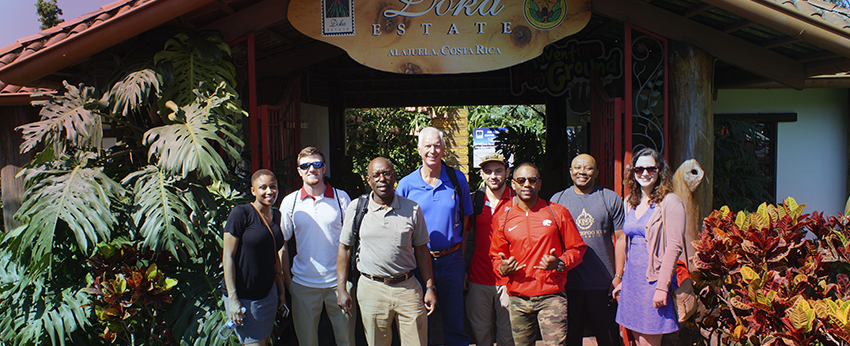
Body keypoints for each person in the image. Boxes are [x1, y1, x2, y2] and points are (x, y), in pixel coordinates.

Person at [336, 157, 438, 346]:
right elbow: (345, 248)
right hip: (372, 288)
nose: (381, 179)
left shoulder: (412, 209)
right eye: (376, 175)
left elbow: (422, 250)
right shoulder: (357, 208)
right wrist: (341, 289)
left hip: (407, 288)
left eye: (386, 173)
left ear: (394, 176)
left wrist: (429, 287)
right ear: (368, 180)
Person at [491, 163, 587, 346]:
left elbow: (578, 248)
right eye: (521, 180)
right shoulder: (503, 219)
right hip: (518, 297)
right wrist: (502, 268)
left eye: (532, 180)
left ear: (539, 184)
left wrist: (560, 263)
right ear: (513, 184)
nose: (527, 184)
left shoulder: (557, 212)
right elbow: (496, 256)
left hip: (551, 295)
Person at [397, 127, 472, 346]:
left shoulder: (457, 180)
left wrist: (462, 260)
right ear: (419, 149)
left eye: (437, 145)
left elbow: (467, 222)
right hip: (418, 262)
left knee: (455, 322)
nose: (433, 150)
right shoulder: (406, 185)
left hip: (452, 260)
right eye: (427, 146)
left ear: (444, 148)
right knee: (420, 321)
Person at [279, 147, 354, 346]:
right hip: (303, 284)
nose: (311, 169)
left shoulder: (341, 198)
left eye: (317, 164)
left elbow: (350, 243)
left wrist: (345, 283)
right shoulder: (290, 202)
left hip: (338, 285)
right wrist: (289, 282)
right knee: (307, 342)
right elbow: (282, 244)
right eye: (305, 165)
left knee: (346, 340)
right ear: (299, 171)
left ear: (324, 168)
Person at [613, 148, 686, 346]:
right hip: (632, 283)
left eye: (650, 169)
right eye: (639, 169)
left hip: (653, 282)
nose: (644, 173)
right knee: (636, 341)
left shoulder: (670, 202)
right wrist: (623, 280)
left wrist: (662, 287)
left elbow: (674, 247)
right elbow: (628, 245)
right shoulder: (630, 202)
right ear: (633, 172)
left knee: (649, 342)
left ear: (660, 170)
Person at [550, 154, 625, 346]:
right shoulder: (557, 200)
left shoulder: (610, 198)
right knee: (571, 338)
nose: (582, 172)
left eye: (588, 168)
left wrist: (618, 275)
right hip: (569, 283)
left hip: (602, 283)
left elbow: (621, 238)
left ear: (597, 172)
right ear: (570, 171)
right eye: (577, 167)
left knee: (608, 337)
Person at [223, 169, 287, 346]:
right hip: (244, 296)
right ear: (253, 191)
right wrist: (233, 298)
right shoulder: (241, 213)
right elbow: (227, 257)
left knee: (264, 340)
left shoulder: (277, 215)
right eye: (263, 187)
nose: (269, 191)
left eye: (273, 187)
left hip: (267, 293)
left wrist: (281, 290)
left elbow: (273, 255)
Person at [465, 152, 515, 346]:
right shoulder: (473, 200)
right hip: (479, 276)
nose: (493, 175)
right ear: (482, 175)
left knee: (508, 335)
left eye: (498, 171)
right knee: (480, 334)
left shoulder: (518, 201)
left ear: (507, 172)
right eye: (488, 171)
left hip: (510, 279)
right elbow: (463, 238)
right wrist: (463, 272)